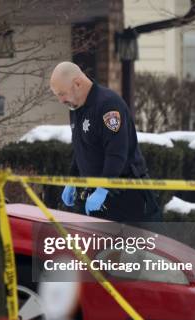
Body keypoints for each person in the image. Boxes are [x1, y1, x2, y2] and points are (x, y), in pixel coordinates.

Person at [49, 61, 160, 223]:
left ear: (77, 83)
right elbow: (81, 148)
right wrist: (72, 180)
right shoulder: (77, 108)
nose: (60, 100)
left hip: (124, 195)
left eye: (62, 93)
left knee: (132, 247)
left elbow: (116, 153)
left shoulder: (108, 106)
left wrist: (103, 189)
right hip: (95, 196)